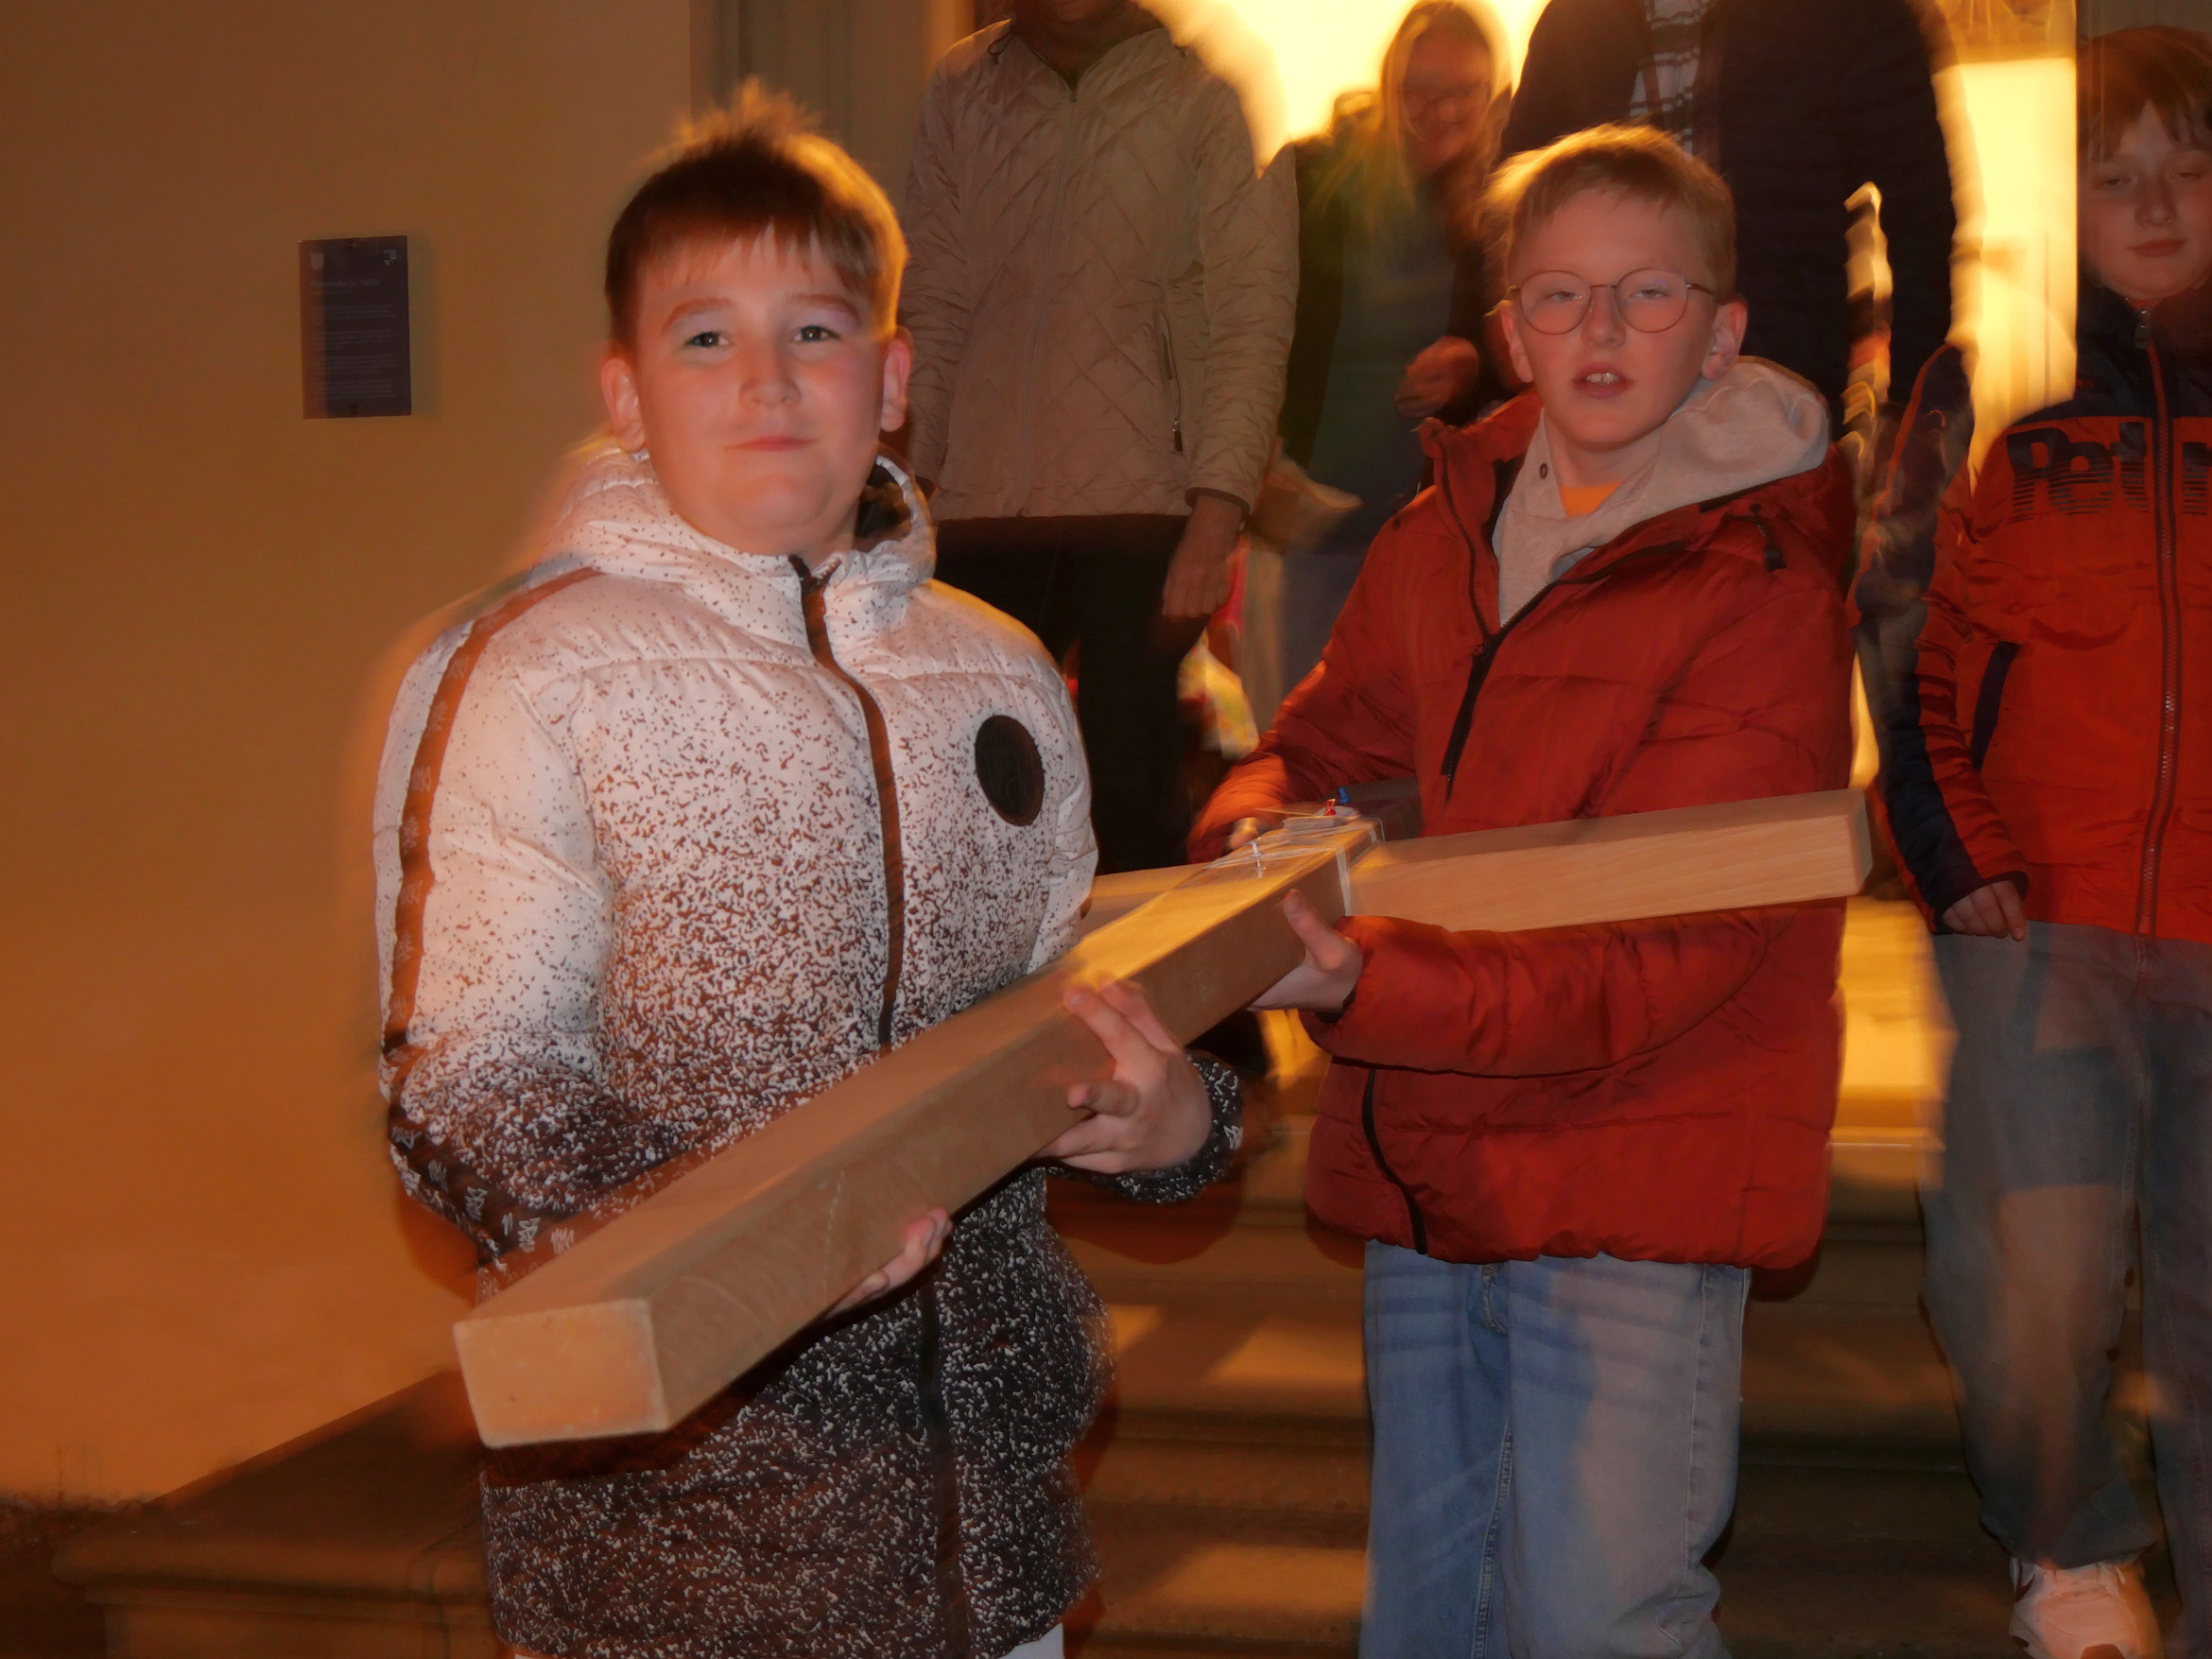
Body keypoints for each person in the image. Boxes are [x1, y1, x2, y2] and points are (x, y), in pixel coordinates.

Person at [372, 91, 1244, 1659]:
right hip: (686, 1551)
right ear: (624, 393)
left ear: (895, 379)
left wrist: (1175, 1125)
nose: (769, 383)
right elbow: (470, 1086)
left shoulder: (1000, 679)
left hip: (992, 1540)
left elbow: (1071, 1015)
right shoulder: (531, 674)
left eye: (819, 332)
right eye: (705, 339)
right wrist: (762, 1264)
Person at [1192, 126, 1854, 1656]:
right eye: (1558, 298)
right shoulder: (1444, 536)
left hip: (1635, 1164)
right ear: (1506, 330)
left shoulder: (1760, 587)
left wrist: (1366, 986)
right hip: (1440, 1153)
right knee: (1435, 1613)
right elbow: (1323, 747)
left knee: (1593, 1616)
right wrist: (1256, 832)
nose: (1599, 334)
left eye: (1647, 295)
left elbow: (1665, 956)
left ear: (1726, 328)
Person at [1864, 27, 2212, 1658]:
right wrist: (1951, 851)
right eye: (2112, 170)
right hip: (2037, 924)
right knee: (2029, 1284)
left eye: (2190, 167)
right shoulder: (1985, 380)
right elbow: (1902, 634)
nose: (2154, 202)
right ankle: (2070, 1548)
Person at [899, 0, 1297, 872]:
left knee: (1130, 807)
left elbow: (1251, 318)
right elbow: (936, 296)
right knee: (980, 810)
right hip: (980, 509)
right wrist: (907, 484)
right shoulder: (964, 87)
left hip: (1144, 507)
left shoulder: (1209, 90)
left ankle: (1160, 1007)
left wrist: (1218, 509)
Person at [1243, 0, 1515, 730]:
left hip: (1435, 539)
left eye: (1461, 92)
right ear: (1388, 83)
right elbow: (1241, 322)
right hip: (1308, 521)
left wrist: (1473, 369)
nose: (1437, 111)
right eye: (1417, 90)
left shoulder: (1504, 203)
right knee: (1301, 748)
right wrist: (1251, 460)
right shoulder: (1312, 179)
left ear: (1494, 96)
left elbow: (1524, 349)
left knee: (1419, 754)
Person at [1499, 0, 1955, 436]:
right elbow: (1512, 207)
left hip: (1774, 381)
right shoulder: (1576, 20)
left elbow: (1921, 213)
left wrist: (1914, 404)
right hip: (1602, 384)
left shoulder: (1847, 15)